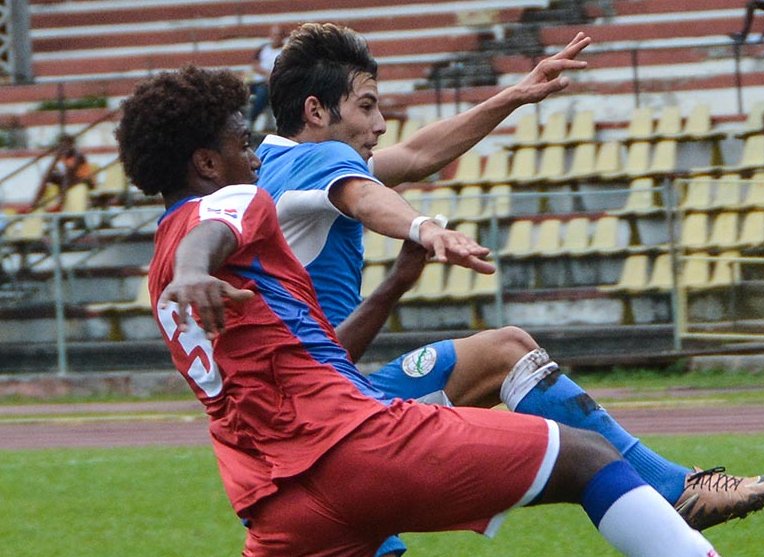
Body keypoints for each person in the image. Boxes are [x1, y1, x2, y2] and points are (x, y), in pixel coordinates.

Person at [115, 65, 723, 557]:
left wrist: (394, 285)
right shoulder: (230, 205)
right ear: (206, 164)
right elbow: (217, 230)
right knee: (588, 459)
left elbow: (312, 351)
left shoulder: (159, 270)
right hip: (353, 445)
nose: (251, 159)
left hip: (280, 501)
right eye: (238, 145)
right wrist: (198, 270)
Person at [257, 23, 764, 555]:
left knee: (508, 353)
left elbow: (418, 155)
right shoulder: (321, 162)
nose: (379, 124)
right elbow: (365, 198)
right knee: (562, 438)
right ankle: (674, 491)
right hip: (315, 427)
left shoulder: (279, 169)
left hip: (324, 405)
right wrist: (424, 228)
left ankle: (675, 489)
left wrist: (516, 93)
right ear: (316, 111)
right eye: (367, 106)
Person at [246, 25, 286, 131]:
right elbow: (254, 63)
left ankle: (251, 118)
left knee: (263, 93)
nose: (276, 38)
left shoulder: (285, 51)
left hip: (271, 83)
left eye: (278, 35)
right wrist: (265, 72)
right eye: (274, 35)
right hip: (256, 80)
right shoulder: (263, 48)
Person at [38, 137, 94, 208]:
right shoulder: (66, 156)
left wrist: (62, 161)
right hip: (72, 178)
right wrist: (54, 165)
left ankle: (60, 205)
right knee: (48, 176)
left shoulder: (78, 155)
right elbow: (55, 169)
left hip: (84, 180)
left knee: (66, 178)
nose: (63, 148)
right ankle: (36, 203)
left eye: (66, 145)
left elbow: (71, 171)